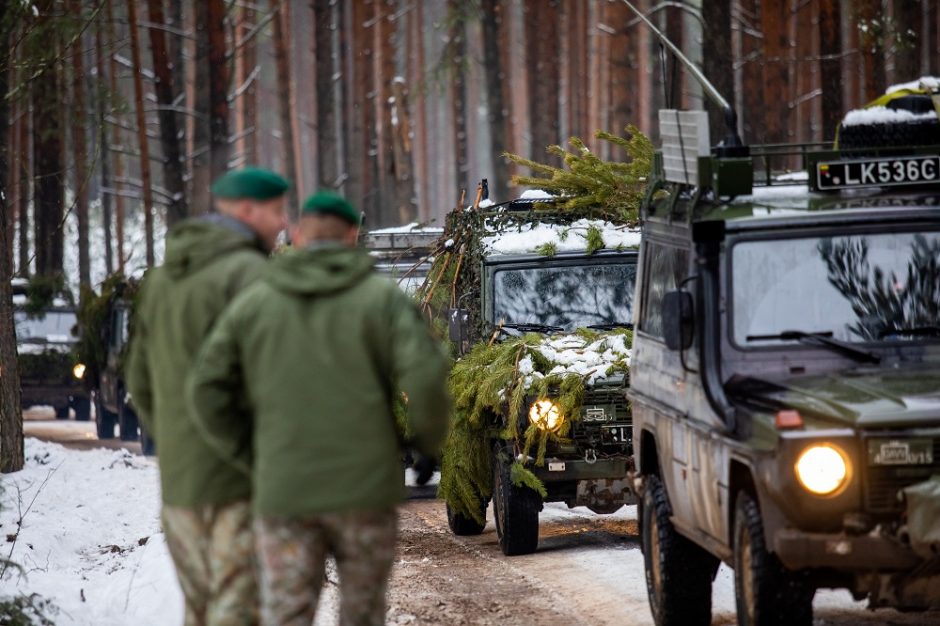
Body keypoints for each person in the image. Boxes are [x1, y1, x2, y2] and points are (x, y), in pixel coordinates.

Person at [187, 190, 450, 626]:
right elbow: (425, 374)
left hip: (285, 492)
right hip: (363, 492)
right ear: (353, 235)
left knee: (288, 613)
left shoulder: (256, 303)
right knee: (362, 614)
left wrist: (248, 453)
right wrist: (426, 443)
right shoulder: (381, 302)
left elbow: (206, 389)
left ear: (299, 235)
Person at [126, 167, 290, 626]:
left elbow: (138, 379)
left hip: (180, 486)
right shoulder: (253, 276)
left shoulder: (160, 281)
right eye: (276, 211)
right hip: (240, 486)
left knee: (200, 612)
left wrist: (177, 441)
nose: (282, 223)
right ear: (246, 210)